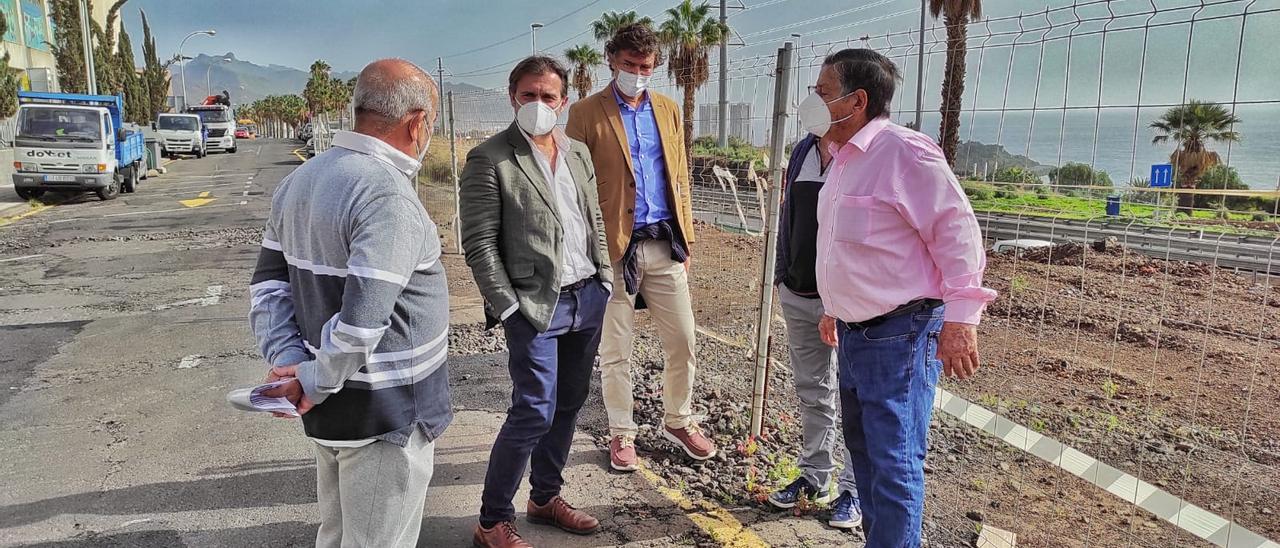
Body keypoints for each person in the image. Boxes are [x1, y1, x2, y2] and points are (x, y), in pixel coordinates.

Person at [248, 59, 450, 548]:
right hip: (384, 412)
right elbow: (363, 321)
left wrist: (291, 362)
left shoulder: (303, 179)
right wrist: (312, 381)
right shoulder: (386, 195)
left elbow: (268, 287)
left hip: (336, 408)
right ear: (417, 123)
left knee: (339, 534)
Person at [804, 49, 997, 546]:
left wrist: (962, 319)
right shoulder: (843, 159)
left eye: (823, 92)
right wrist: (835, 305)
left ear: (857, 100)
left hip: (901, 334)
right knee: (865, 456)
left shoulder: (905, 153)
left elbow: (957, 234)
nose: (815, 100)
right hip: (854, 333)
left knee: (894, 463)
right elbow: (845, 245)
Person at [460, 56, 613, 548]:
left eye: (549, 97)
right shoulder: (491, 157)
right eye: (529, 95)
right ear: (512, 97)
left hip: (587, 297)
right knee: (533, 410)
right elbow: (479, 243)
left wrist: (606, 277)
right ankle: (492, 520)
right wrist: (507, 306)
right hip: (534, 306)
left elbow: (593, 219)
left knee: (568, 404)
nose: (539, 105)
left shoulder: (578, 152)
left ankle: (545, 497)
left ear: (563, 101)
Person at [566, 22, 714, 472]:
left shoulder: (668, 109)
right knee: (616, 348)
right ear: (612, 60)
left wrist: (686, 241)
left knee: (683, 340)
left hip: (665, 243)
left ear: (656, 66)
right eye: (629, 64)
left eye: (645, 66)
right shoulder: (585, 113)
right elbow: (575, 185)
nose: (637, 72)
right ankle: (621, 432)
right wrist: (587, 251)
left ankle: (679, 418)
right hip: (613, 249)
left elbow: (680, 177)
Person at [766, 130, 862, 530]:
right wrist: (782, 275)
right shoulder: (804, 149)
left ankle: (854, 490)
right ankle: (815, 476)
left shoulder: (861, 153)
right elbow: (790, 215)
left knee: (855, 397)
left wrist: (842, 300)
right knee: (812, 390)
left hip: (847, 303)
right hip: (798, 291)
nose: (816, 100)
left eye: (824, 91)